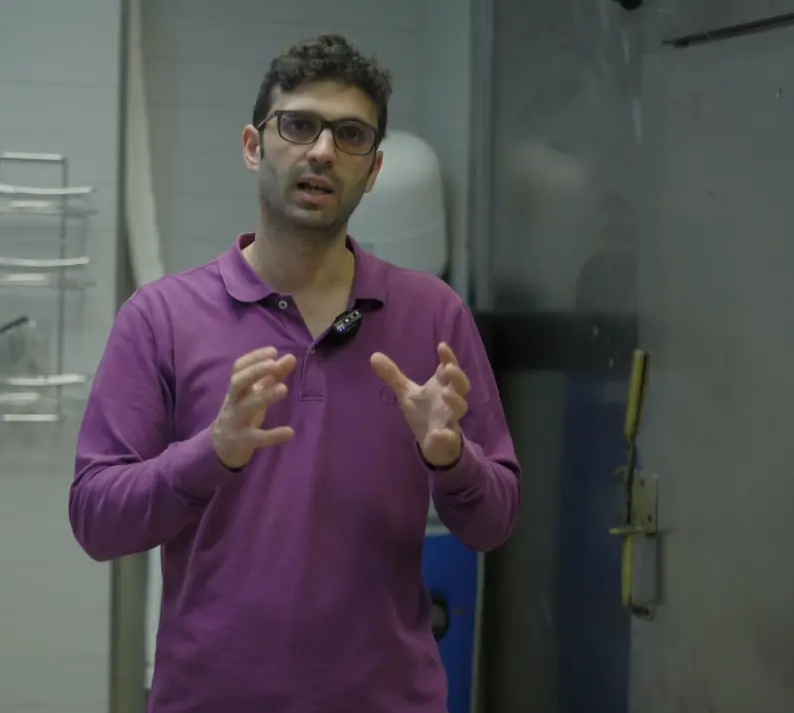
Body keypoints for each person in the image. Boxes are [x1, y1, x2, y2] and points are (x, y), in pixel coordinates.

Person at [69, 33, 520, 713]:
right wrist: (209, 456)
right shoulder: (163, 317)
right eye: (299, 126)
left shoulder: (432, 315)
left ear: (372, 169)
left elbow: (494, 523)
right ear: (254, 146)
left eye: (350, 135)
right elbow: (96, 521)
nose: (322, 151)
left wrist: (451, 459)